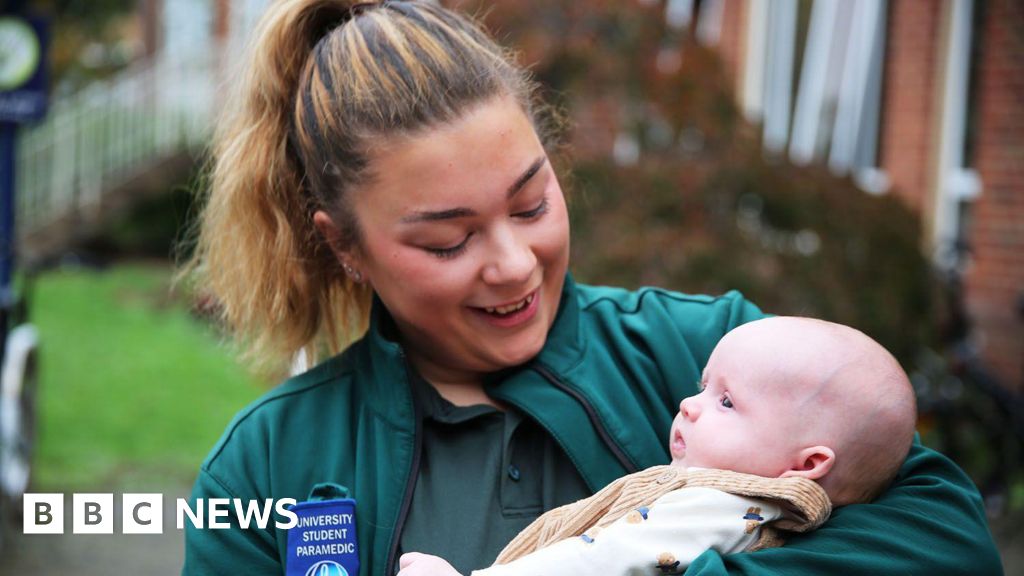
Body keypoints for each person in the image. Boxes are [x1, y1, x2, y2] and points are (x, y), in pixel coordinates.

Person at [180, 1, 1002, 575]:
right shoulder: (272, 466)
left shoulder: (713, 358)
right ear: (346, 246)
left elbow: (946, 540)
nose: (511, 262)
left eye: (531, 203)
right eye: (448, 238)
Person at [397, 316, 917, 575]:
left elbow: (608, 558)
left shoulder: (728, 507)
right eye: (701, 387)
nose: (690, 406)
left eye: (727, 403)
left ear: (807, 465)